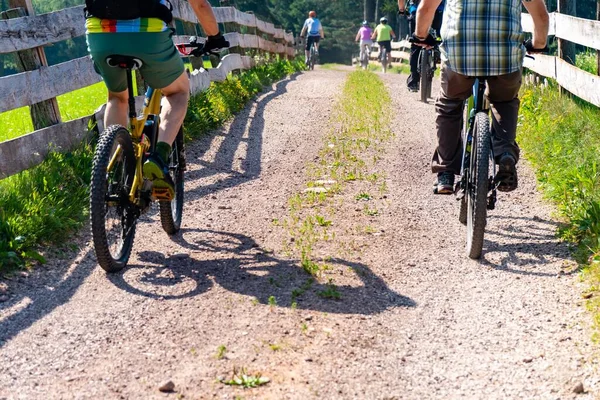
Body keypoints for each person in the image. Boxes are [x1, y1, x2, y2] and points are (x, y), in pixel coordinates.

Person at [85, 0, 229, 198]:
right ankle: (159, 158)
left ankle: (117, 171)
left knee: (117, 98)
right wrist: (215, 37)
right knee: (177, 92)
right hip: (149, 35)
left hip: (100, 35)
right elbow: (200, 4)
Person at [411, 0, 549, 194]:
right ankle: (505, 153)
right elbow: (541, 16)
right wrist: (538, 44)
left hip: (459, 54)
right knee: (504, 103)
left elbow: (426, 8)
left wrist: (421, 36)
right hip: (505, 56)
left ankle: (446, 172)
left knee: (449, 105)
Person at [398, 0, 444, 91]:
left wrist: (401, 9)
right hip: (439, 11)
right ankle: (438, 51)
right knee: (440, 40)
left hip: (416, 12)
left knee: (415, 45)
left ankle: (414, 82)